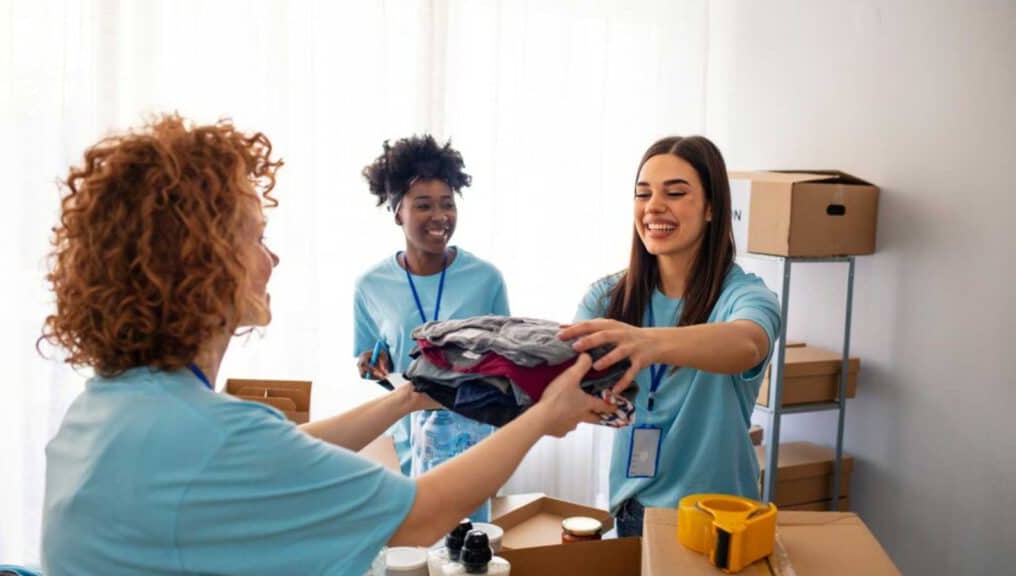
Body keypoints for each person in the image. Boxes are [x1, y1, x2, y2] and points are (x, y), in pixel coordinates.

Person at [40, 115, 615, 575]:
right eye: (258, 237)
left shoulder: (108, 409)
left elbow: (279, 448)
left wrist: (408, 398)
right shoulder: (213, 434)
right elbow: (415, 517)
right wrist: (544, 416)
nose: (274, 258)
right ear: (202, 262)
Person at [560, 135, 782, 537]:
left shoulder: (746, 295)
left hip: (721, 520)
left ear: (712, 207)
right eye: (642, 194)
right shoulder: (606, 298)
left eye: (675, 192)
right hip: (634, 514)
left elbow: (747, 344)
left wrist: (648, 343)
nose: (653, 207)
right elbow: (567, 380)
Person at [353, 136, 507, 520]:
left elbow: (508, 362)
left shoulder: (486, 279)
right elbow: (372, 356)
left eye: (447, 204)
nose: (440, 216)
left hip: (471, 449)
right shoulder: (370, 285)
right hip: (406, 449)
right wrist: (372, 366)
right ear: (397, 213)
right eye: (423, 205)